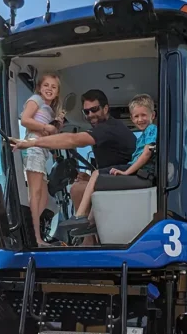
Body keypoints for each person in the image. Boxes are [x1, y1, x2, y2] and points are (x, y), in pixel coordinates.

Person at [11, 89, 135, 243]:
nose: (90, 115)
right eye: (86, 111)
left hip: (126, 182)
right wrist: (90, 177)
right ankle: (89, 238)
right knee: (81, 183)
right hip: (118, 179)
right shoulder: (107, 129)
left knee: (77, 189)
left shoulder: (109, 128)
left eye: (94, 109)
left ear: (106, 108)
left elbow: (73, 140)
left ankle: (87, 239)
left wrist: (33, 143)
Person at [70, 94, 158, 221]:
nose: (140, 119)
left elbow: (147, 153)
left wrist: (127, 172)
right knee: (98, 183)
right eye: (136, 116)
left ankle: (80, 216)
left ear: (153, 115)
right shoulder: (144, 136)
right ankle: (89, 222)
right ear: (132, 119)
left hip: (142, 173)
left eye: (143, 115)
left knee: (96, 174)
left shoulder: (151, 129)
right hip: (138, 171)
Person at [18, 72, 66, 246]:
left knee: (44, 198)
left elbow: (50, 134)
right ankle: (34, 238)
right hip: (33, 149)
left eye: (54, 87)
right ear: (39, 87)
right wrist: (47, 126)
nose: (49, 89)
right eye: (46, 85)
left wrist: (56, 124)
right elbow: (25, 120)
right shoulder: (35, 100)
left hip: (42, 152)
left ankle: (33, 232)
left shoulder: (48, 109)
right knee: (36, 194)